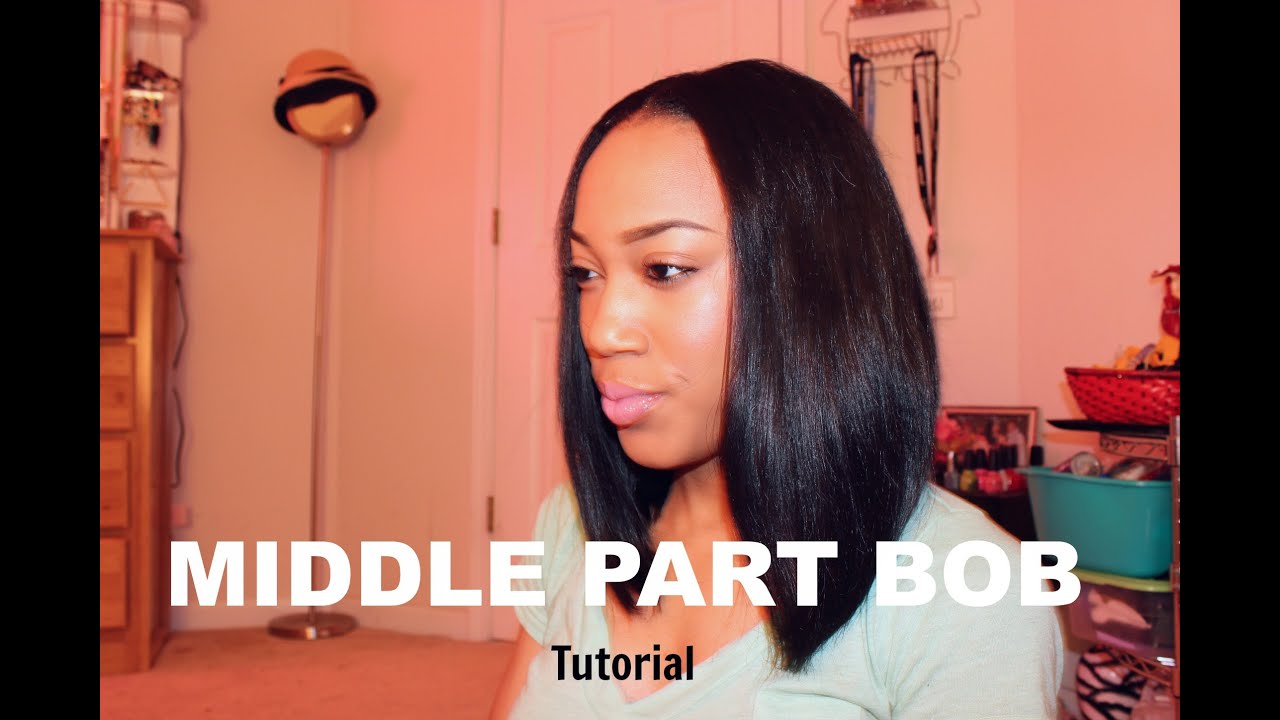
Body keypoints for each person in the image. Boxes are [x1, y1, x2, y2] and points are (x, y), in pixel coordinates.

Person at [489, 59, 1062, 719]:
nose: (601, 329)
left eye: (664, 268)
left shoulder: (968, 597)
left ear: (815, 287)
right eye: (585, 272)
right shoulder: (572, 526)